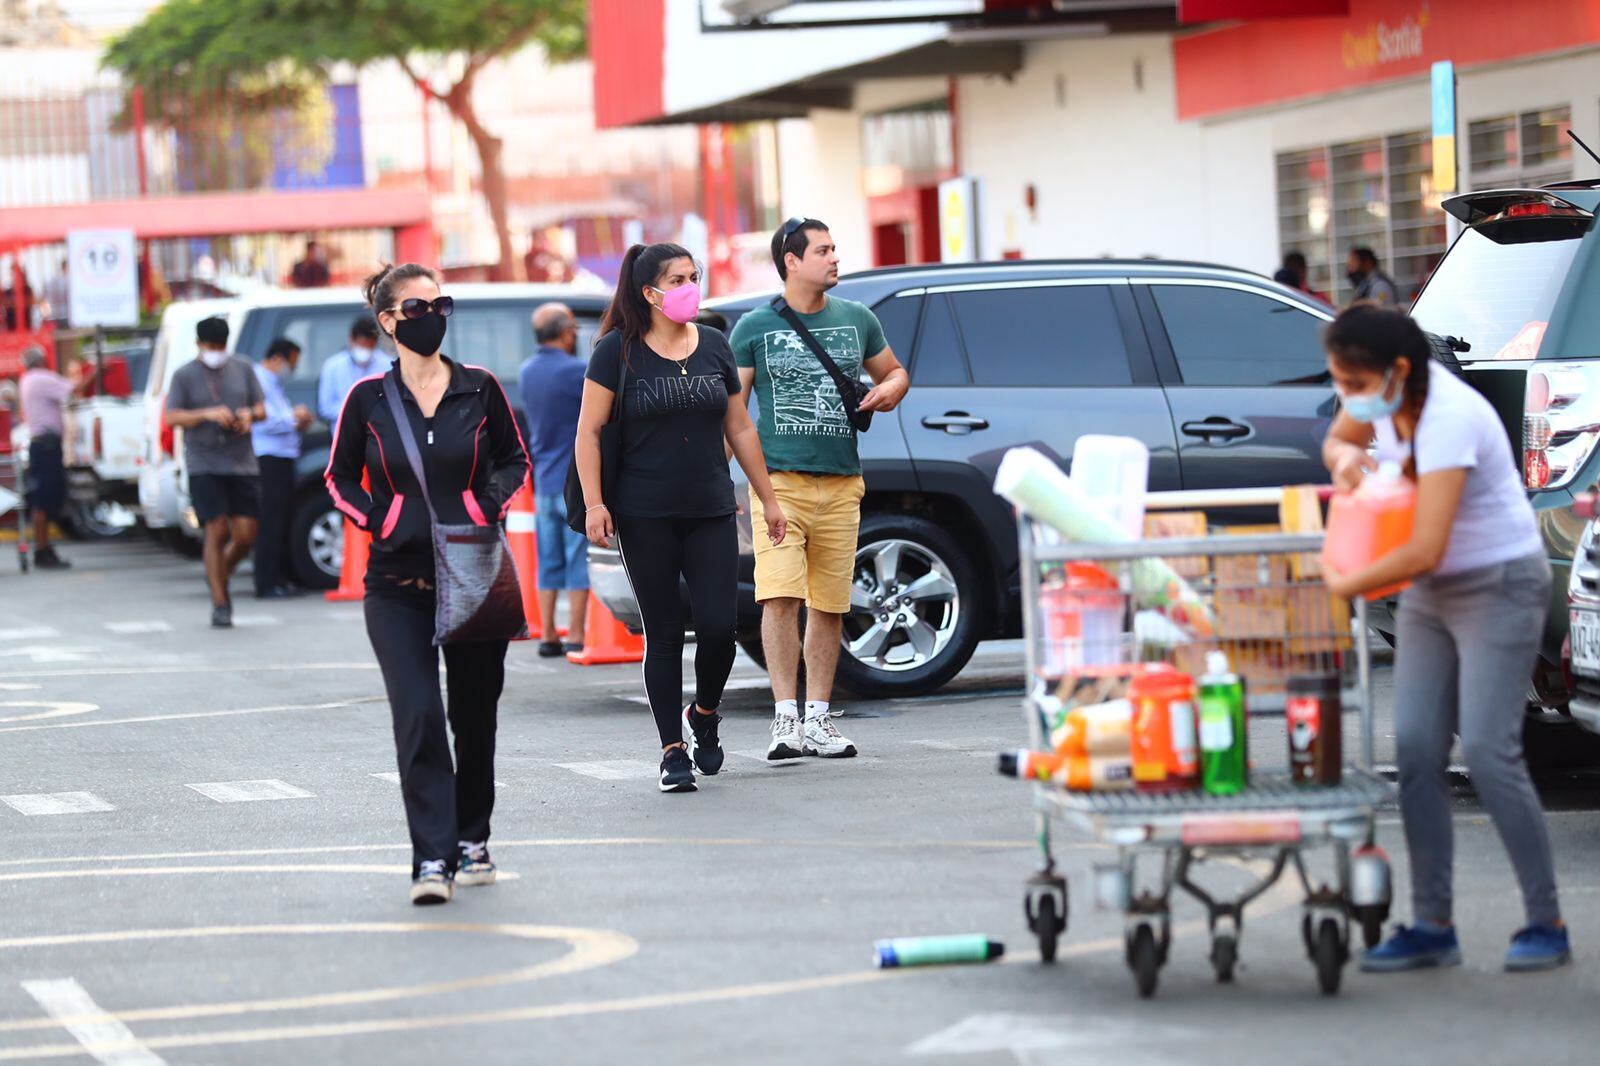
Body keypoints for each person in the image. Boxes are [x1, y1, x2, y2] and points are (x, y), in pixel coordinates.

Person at [1319, 306, 1569, 974]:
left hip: (1498, 583)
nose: (1347, 394)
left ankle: (1546, 921)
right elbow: (1338, 439)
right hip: (1431, 588)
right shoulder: (1380, 398)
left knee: (1487, 749)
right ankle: (1432, 926)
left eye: (1355, 382)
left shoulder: (1449, 418)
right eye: (1339, 381)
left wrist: (1340, 584)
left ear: (1398, 371)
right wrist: (1347, 460)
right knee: (1416, 747)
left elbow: (1426, 545)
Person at [326, 263, 529, 904]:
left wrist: (482, 506)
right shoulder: (367, 400)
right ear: (388, 321)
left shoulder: (480, 388)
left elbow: (514, 460)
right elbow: (339, 478)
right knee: (418, 717)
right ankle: (431, 859)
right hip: (396, 585)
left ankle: (472, 839)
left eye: (441, 304)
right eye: (417, 308)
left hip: (471, 574)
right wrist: (383, 519)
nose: (433, 316)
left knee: (474, 717)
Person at [575, 243, 788, 794]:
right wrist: (596, 504)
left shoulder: (714, 344)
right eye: (678, 279)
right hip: (643, 513)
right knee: (665, 632)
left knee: (719, 627)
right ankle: (672, 750)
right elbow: (589, 432)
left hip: (710, 507)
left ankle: (704, 713)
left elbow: (740, 428)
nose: (691, 287)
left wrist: (768, 499)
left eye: (694, 276)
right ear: (650, 293)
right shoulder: (616, 351)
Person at [728, 217, 910, 760]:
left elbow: (896, 372)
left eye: (834, 249)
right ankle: (785, 719)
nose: (834, 258)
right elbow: (734, 413)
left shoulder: (857, 318)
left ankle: (819, 720)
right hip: (779, 486)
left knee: (830, 605)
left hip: (842, 484)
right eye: (823, 250)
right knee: (780, 598)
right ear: (792, 261)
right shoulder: (754, 327)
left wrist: (891, 390)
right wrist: (725, 482)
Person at [165, 317, 265, 628]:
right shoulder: (184, 375)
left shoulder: (243, 368)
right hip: (204, 462)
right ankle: (221, 603)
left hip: (241, 462)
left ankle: (219, 572)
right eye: (211, 346)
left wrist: (249, 415)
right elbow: (172, 417)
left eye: (221, 346)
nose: (216, 352)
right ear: (199, 345)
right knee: (216, 528)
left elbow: (262, 408)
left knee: (246, 534)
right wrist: (207, 414)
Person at [518, 302, 589, 658]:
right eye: (573, 327)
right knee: (577, 558)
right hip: (573, 481)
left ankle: (547, 633)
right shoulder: (577, 371)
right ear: (564, 333)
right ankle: (575, 632)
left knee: (548, 560)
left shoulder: (527, 371)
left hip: (543, 480)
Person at [18, 347, 90, 569]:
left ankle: (44, 548)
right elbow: (75, 389)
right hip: (46, 446)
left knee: (46, 498)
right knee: (45, 499)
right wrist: (96, 371)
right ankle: (42, 549)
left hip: (42, 445)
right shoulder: (41, 378)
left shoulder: (27, 380)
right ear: (42, 360)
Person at [251, 338, 313, 599]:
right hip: (269, 457)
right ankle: (266, 581)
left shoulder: (274, 383)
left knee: (283, 520)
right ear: (277, 358)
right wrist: (293, 418)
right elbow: (264, 421)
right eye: (292, 363)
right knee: (270, 521)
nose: (293, 369)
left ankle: (280, 577)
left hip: (283, 456)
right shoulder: (258, 380)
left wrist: (297, 420)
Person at [317, 317, 388, 425]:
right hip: (344, 430)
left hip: (377, 429)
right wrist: (354, 411)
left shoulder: (387, 365)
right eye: (362, 345)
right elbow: (325, 408)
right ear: (351, 339)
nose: (365, 350)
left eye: (369, 346)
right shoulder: (332, 366)